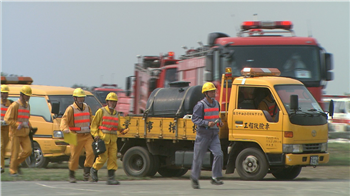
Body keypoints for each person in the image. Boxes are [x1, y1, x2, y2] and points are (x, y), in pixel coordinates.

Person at [190, 82, 224, 189]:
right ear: (206, 93)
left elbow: (216, 116)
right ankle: (194, 178)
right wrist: (206, 123)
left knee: (219, 154)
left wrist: (220, 122)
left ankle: (215, 177)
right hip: (203, 135)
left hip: (214, 134)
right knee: (198, 158)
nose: (214, 93)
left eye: (214, 91)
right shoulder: (200, 105)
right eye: (211, 91)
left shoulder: (216, 103)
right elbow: (195, 119)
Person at [90, 92, 128, 185]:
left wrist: (122, 130)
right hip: (103, 139)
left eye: (114, 102)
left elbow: (117, 126)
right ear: (107, 102)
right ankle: (94, 170)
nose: (113, 104)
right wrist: (95, 135)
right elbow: (94, 125)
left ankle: (111, 178)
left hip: (113, 140)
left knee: (113, 159)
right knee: (102, 158)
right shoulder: (101, 111)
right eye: (111, 101)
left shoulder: (116, 113)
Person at [60, 88, 95, 183]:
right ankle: (72, 175)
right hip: (75, 136)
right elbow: (64, 120)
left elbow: (91, 119)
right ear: (75, 98)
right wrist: (65, 129)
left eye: (83, 97)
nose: (82, 99)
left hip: (87, 135)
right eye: (80, 98)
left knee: (91, 152)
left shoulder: (87, 107)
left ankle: (86, 174)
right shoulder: (71, 109)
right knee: (74, 156)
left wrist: (95, 130)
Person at [4, 85, 32, 176]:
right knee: (15, 153)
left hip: (25, 133)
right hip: (15, 133)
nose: (28, 97)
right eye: (27, 95)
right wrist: (17, 124)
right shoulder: (15, 105)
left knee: (28, 151)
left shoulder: (28, 106)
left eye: (29, 95)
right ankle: (12, 171)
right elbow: (7, 119)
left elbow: (26, 118)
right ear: (22, 95)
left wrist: (30, 126)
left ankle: (16, 164)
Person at [0, 85, 13, 174]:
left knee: (4, 147)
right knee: (1, 146)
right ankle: (1, 166)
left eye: (6, 93)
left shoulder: (11, 104)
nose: (5, 95)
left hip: (7, 128)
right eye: (3, 93)